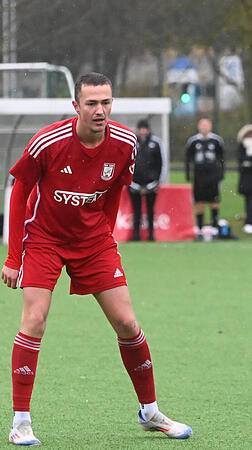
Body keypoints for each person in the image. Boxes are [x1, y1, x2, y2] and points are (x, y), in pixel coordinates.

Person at [1, 72, 192, 446]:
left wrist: (104, 237)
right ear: (76, 106)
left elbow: (114, 192)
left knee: (127, 322)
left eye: (106, 102)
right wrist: (13, 256)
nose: (99, 110)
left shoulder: (126, 143)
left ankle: (150, 412)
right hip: (44, 239)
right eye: (91, 103)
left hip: (93, 242)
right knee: (34, 319)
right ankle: (20, 421)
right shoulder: (48, 142)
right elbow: (20, 191)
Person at [185, 117, 225, 238]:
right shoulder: (193, 141)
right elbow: (188, 159)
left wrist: (221, 174)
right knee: (199, 202)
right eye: (202, 125)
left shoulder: (216, 141)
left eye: (206, 125)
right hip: (199, 177)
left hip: (213, 176)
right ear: (199, 127)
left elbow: (222, 159)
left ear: (210, 126)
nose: (204, 127)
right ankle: (200, 229)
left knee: (214, 202)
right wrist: (188, 174)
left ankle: (215, 228)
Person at [128, 119, 163, 242]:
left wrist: (157, 181)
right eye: (141, 129)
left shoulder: (155, 143)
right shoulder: (132, 143)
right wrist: (129, 182)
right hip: (135, 183)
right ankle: (136, 235)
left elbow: (161, 163)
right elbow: (126, 162)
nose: (143, 131)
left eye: (145, 129)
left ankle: (151, 235)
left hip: (151, 183)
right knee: (136, 210)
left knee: (150, 210)